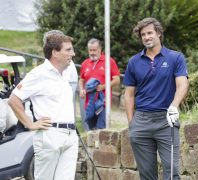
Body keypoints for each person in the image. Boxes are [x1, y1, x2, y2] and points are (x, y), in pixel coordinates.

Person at [123, 17, 189, 180]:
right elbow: (129, 94)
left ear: (158, 33)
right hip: (141, 122)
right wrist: (132, 124)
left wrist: (174, 106)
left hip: (166, 120)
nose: (147, 37)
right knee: (146, 175)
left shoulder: (175, 57)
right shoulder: (133, 62)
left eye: (150, 33)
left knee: (172, 171)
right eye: (143, 34)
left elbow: (182, 85)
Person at [8, 32, 78, 180]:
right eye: (68, 50)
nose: (73, 53)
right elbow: (13, 99)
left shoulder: (67, 71)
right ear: (55, 53)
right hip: (50, 135)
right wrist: (29, 124)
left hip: (71, 136)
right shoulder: (38, 74)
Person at [79, 38, 120, 130]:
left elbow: (117, 80)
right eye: (90, 50)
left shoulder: (109, 61)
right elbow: (81, 80)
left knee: (102, 132)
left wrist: (103, 87)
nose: (92, 52)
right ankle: (92, 145)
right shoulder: (85, 63)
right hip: (89, 104)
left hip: (103, 103)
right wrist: (81, 89)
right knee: (90, 131)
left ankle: (101, 144)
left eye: (94, 50)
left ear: (100, 49)